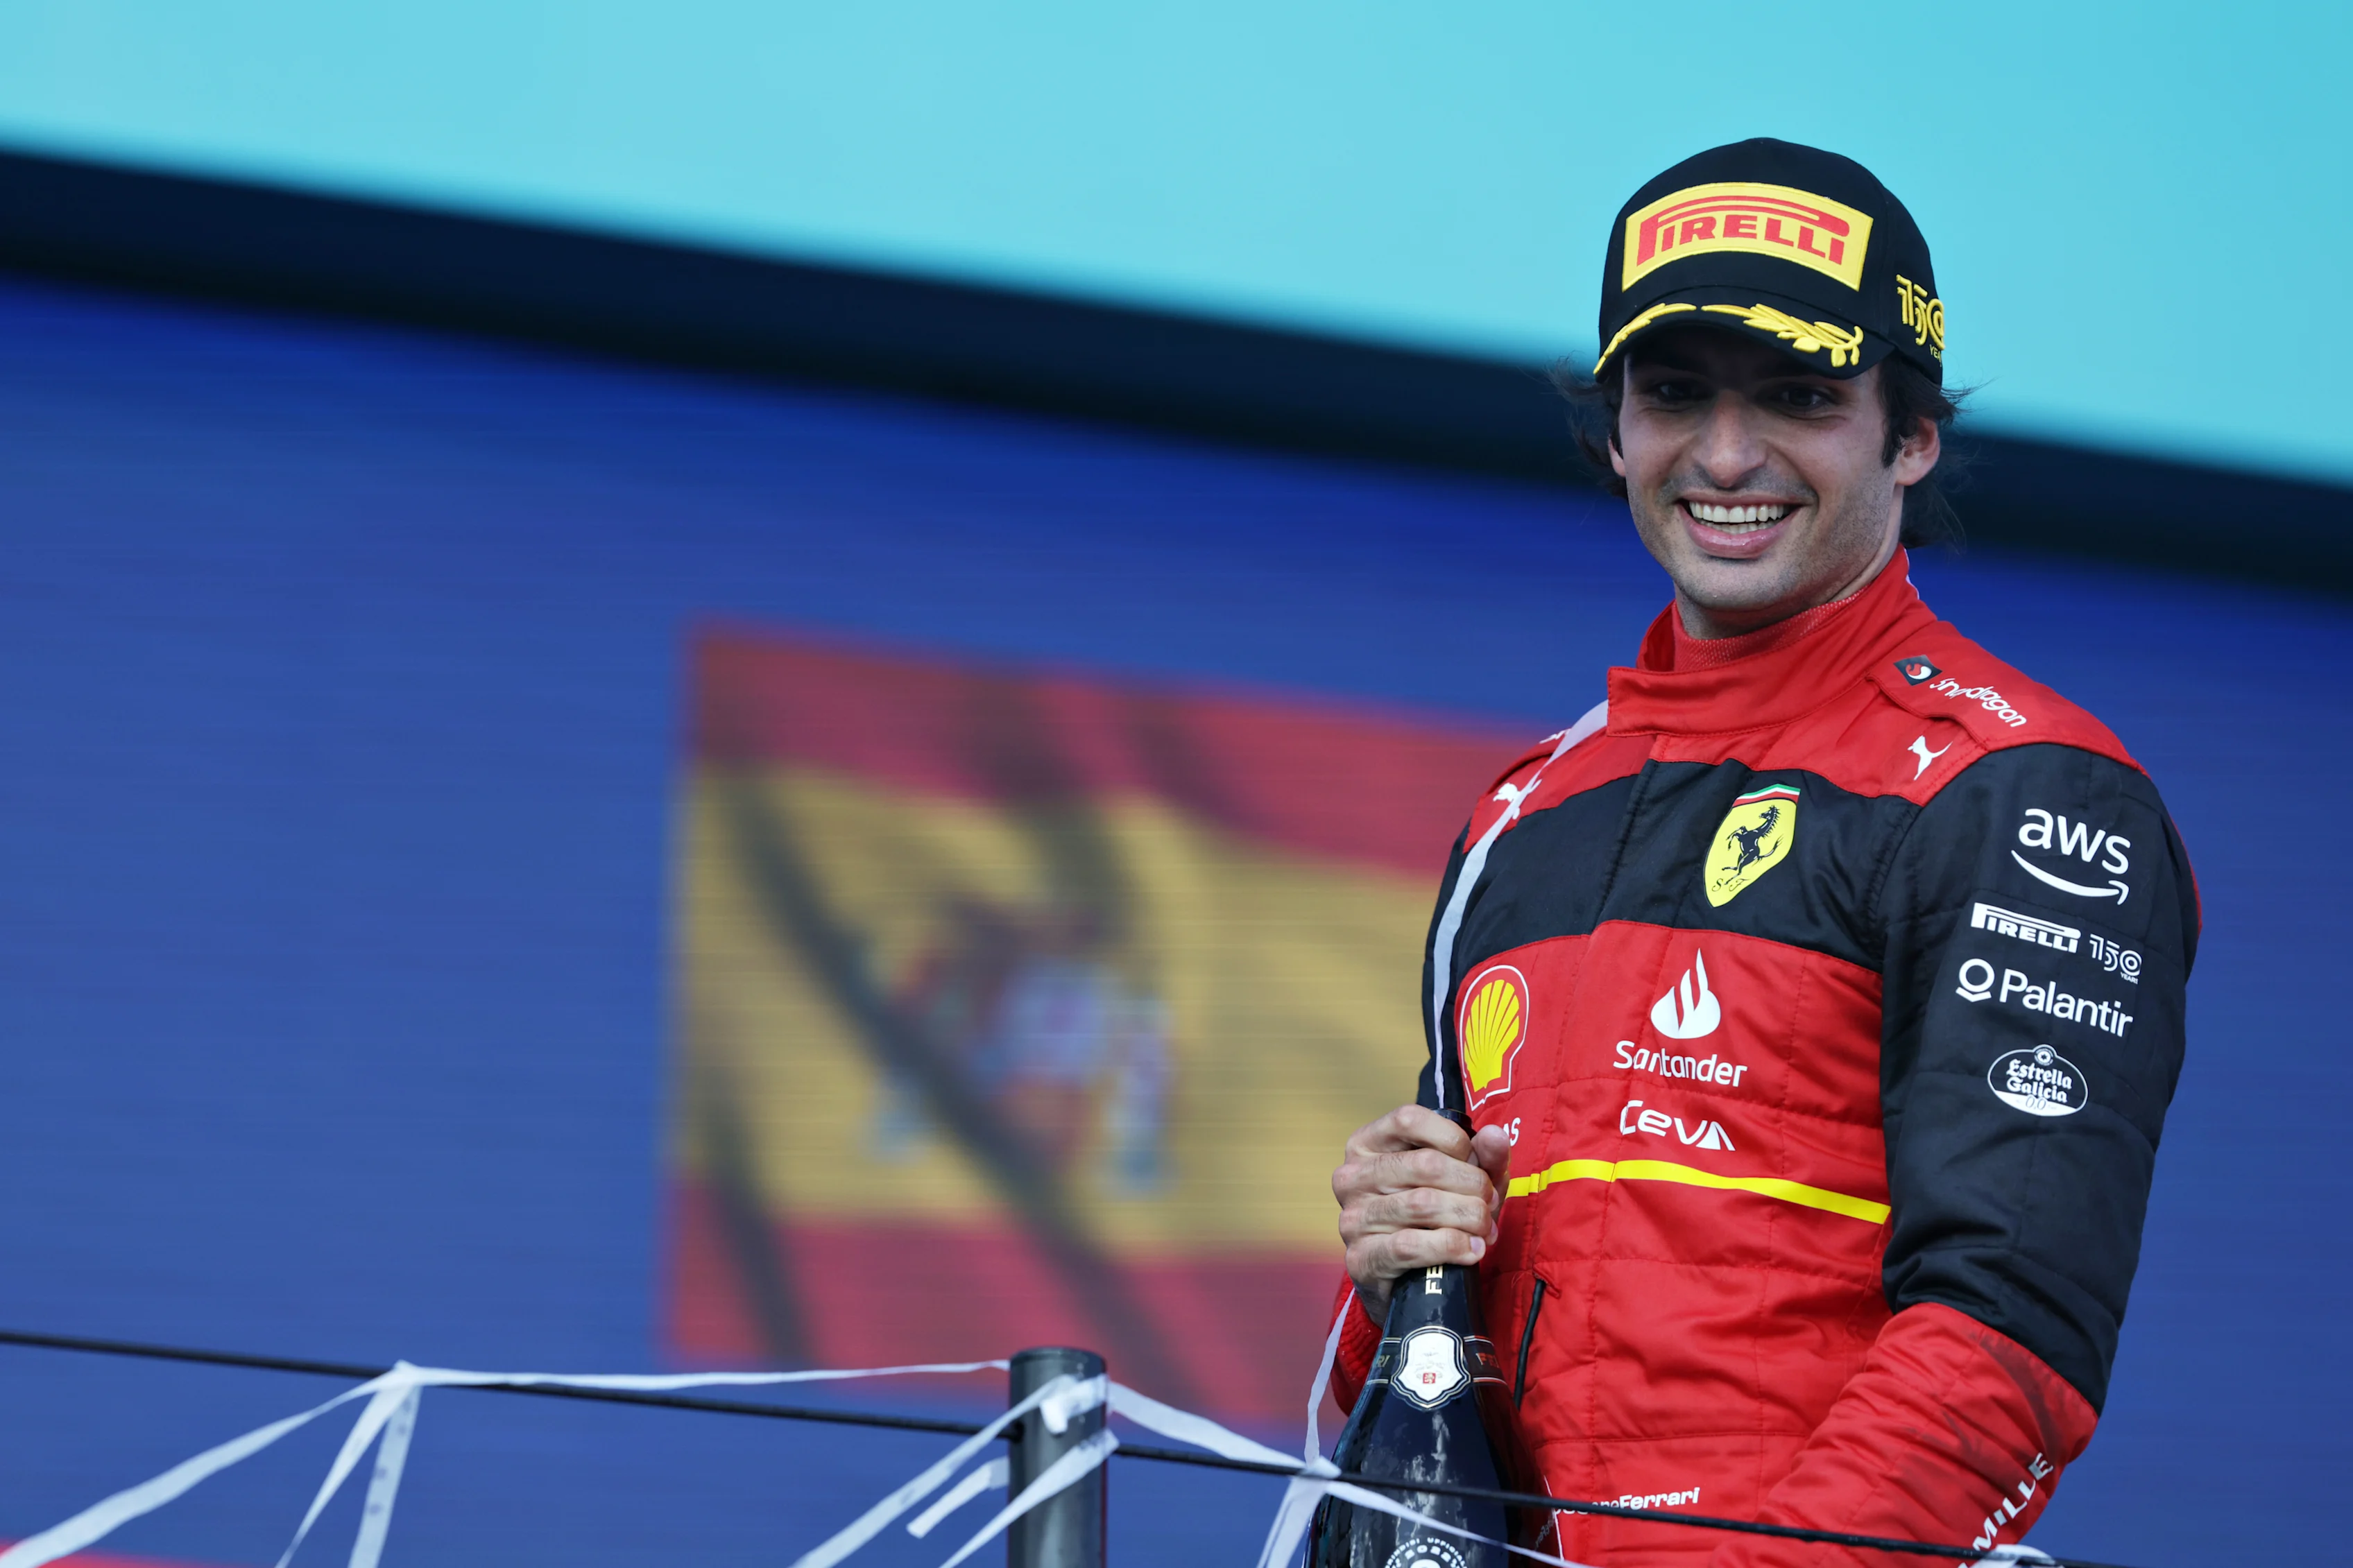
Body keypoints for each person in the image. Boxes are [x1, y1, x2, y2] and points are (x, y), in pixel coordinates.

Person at [1325, 139, 2196, 1567]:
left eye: (1798, 396)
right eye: (1674, 395)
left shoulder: (2024, 792)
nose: (1726, 458)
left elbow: (2010, 1341)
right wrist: (1393, 1263)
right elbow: (1430, 1402)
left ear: (1909, 435)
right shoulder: (1521, 813)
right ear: (1613, 428)